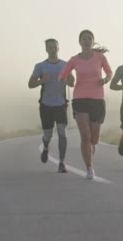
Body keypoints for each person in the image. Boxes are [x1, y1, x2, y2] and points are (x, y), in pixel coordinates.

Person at [59, 30, 113, 180]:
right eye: (84, 39)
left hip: (97, 99)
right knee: (85, 136)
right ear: (80, 42)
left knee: (94, 138)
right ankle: (89, 168)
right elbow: (62, 76)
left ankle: (92, 145)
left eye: (89, 38)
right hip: (80, 99)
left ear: (93, 41)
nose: (87, 41)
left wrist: (106, 80)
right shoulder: (74, 60)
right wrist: (69, 80)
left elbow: (109, 72)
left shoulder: (100, 57)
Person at [28, 38, 74, 173]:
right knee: (47, 135)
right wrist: (42, 80)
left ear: (58, 48)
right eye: (50, 47)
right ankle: (46, 147)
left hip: (60, 104)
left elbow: (72, 83)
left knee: (62, 133)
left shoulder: (65, 65)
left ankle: (62, 163)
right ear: (46, 49)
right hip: (46, 105)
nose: (53, 49)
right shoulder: (40, 66)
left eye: (55, 47)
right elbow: (30, 84)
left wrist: (68, 80)